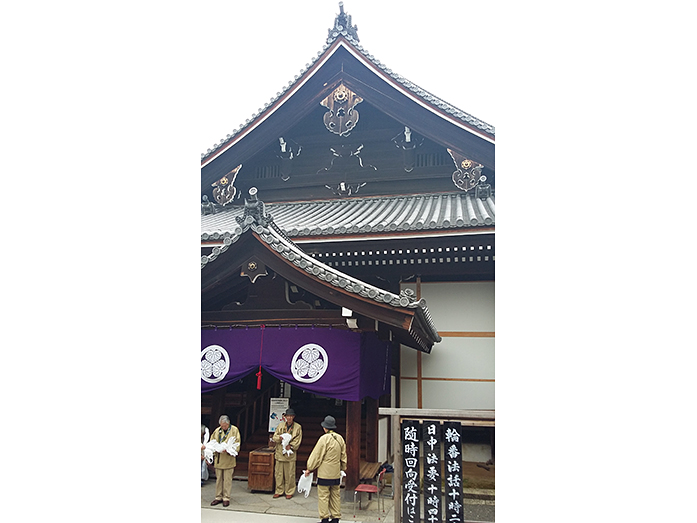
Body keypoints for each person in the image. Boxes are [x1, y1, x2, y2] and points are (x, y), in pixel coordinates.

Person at [305, 415, 347, 523]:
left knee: (323, 496)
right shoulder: (340, 438)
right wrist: (342, 467)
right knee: (335, 495)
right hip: (336, 473)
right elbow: (343, 456)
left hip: (324, 473)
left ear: (325, 427)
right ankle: (336, 517)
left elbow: (317, 456)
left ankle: (324, 518)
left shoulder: (324, 439)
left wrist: (310, 468)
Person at [209, 415, 241, 507]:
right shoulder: (217, 431)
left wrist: (229, 449)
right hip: (219, 459)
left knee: (227, 479)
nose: (223, 427)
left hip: (228, 458)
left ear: (228, 423)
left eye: (225, 426)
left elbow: (237, 443)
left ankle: (226, 497)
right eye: (222, 426)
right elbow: (212, 442)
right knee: (219, 479)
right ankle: (218, 496)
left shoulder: (234, 430)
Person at [272, 408, 303, 499]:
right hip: (280, 452)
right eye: (287, 416)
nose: (289, 418)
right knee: (278, 473)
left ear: (293, 417)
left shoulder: (297, 427)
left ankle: (289, 491)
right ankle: (279, 490)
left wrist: (291, 446)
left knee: (290, 473)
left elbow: (298, 440)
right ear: (285, 417)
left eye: (290, 416)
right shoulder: (281, 425)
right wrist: (280, 438)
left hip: (290, 454)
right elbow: (275, 436)